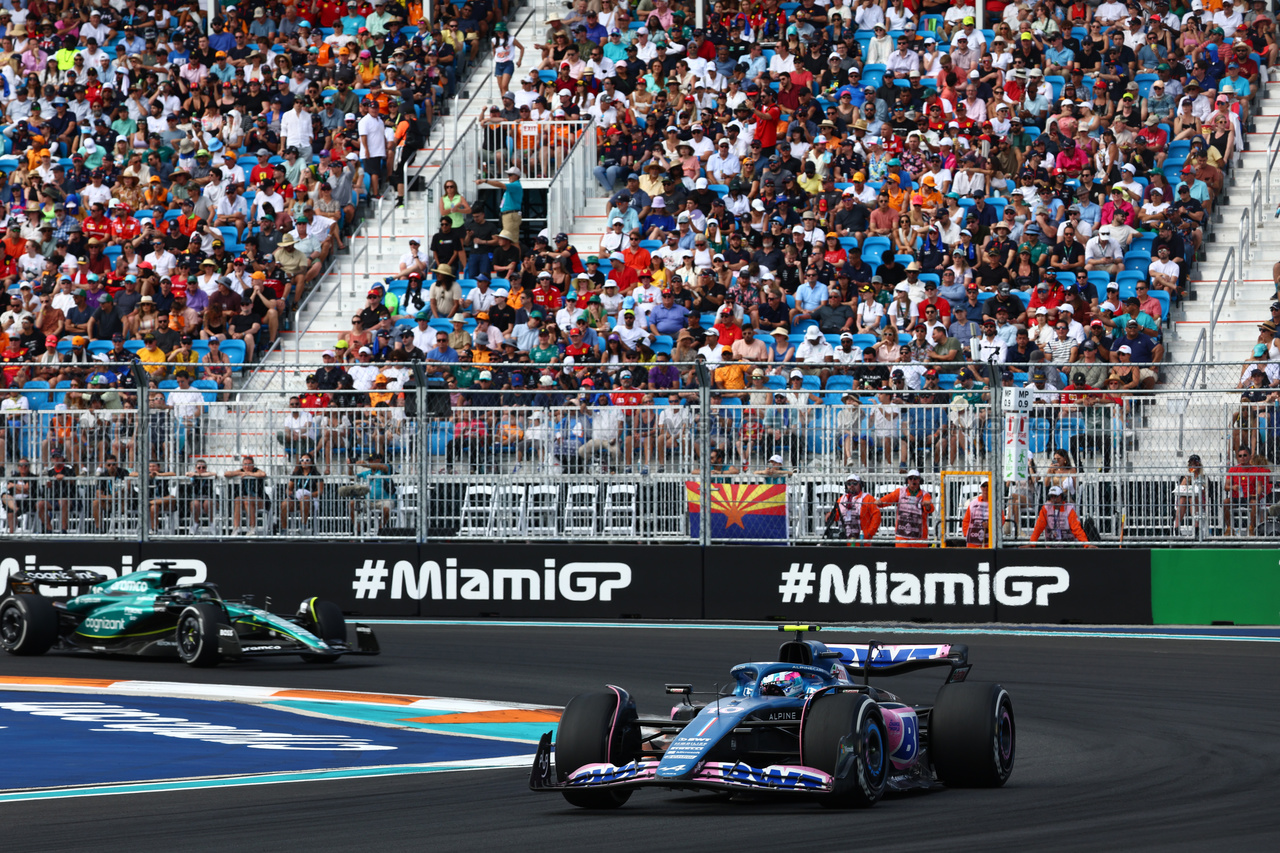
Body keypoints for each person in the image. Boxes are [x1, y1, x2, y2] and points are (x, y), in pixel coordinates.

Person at [876, 469, 934, 547]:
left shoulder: (924, 494)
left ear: (919, 480)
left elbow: (930, 508)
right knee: (901, 557)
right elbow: (889, 498)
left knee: (919, 558)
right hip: (902, 535)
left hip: (918, 536)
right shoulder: (900, 492)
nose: (913, 480)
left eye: (915, 478)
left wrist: (927, 506)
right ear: (907, 481)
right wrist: (880, 501)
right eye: (910, 478)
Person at [1027, 486, 1093, 546]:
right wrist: (1032, 544)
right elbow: (1038, 528)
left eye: (1056, 496)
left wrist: (1086, 544)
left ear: (1062, 497)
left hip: (1068, 546)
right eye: (1051, 496)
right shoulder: (1045, 509)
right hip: (1051, 546)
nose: (1053, 499)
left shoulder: (1069, 509)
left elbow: (1076, 528)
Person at [825, 473, 881, 541]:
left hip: (862, 538)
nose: (851, 485)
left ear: (860, 485)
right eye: (849, 484)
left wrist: (869, 533)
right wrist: (831, 514)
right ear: (846, 486)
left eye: (854, 483)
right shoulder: (841, 499)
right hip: (844, 539)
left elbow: (877, 516)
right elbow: (837, 516)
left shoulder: (868, 498)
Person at [224, 454, 268, 534]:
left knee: (247, 500)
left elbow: (263, 474)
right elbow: (226, 474)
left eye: (249, 464)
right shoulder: (241, 471)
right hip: (245, 499)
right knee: (237, 499)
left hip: (259, 499)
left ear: (253, 465)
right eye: (245, 464)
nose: (247, 467)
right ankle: (236, 527)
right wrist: (240, 473)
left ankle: (252, 528)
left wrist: (248, 474)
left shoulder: (256, 470)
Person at [961, 479, 992, 548]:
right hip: (973, 543)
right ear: (981, 487)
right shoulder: (973, 504)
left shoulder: (995, 504)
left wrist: (990, 525)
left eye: (988, 485)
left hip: (990, 543)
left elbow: (1001, 520)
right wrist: (968, 535)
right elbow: (966, 521)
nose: (986, 488)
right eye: (984, 486)